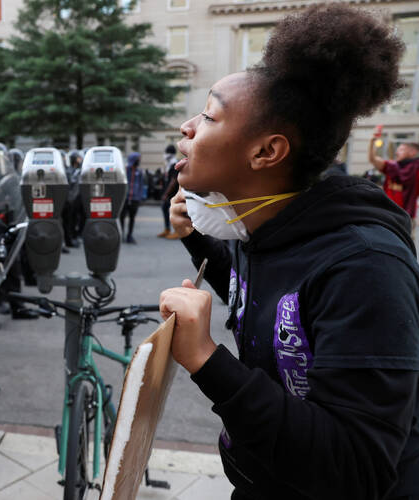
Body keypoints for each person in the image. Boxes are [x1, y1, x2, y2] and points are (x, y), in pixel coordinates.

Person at [161, 4, 419, 499]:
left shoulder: (366, 266)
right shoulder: (269, 231)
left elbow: (358, 468)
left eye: (210, 115)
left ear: (265, 153)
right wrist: (198, 238)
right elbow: (279, 304)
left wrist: (207, 360)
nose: (187, 127)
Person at [369, 134, 419, 220]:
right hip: (388, 213)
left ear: (413, 152)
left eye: (401, 150)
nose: (396, 152)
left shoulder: (417, 168)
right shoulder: (392, 166)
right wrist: (372, 142)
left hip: (406, 217)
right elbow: (373, 159)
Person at [119, 152, 145, 244]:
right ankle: (121, 234)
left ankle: (129, 235)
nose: (139, 161)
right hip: (124, 199)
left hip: (135, 199)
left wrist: (140, 197)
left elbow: (141, 185)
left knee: (132, 218)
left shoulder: (139, 171)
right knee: (122, 217)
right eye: (138, 159)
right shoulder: (125, 170)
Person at [158, 144, 181, 239]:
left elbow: (173, 181)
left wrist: (166, 194)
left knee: (174, 213)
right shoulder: (168, 165)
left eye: (167, 153)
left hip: (173, 194)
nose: (165, 155)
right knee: (165, 210)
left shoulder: (175, 164)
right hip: (168, 194)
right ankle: (167, 229)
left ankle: (177, 231)